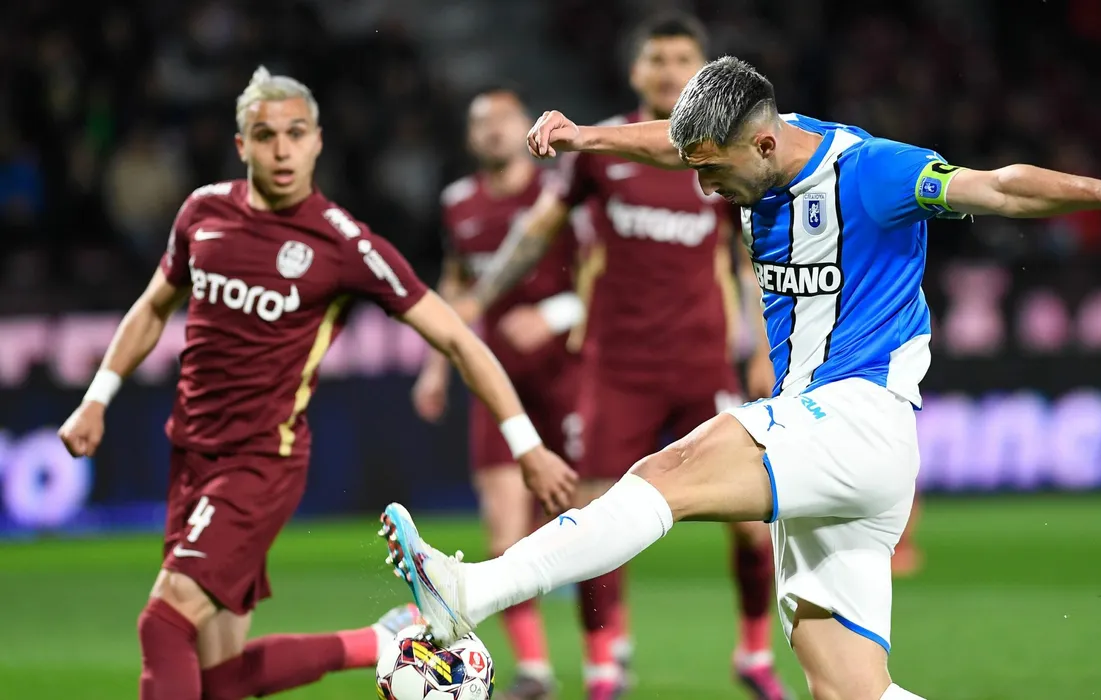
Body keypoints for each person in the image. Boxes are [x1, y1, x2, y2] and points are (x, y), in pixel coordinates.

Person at [381, 56, 1101, 700]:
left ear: (762, 144)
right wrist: (584, 138)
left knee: (669, 470)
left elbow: (997, 187)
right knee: (846, 689)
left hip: (856, 419)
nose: (704, 188)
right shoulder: (760, 144)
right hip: (829, 449)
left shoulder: (875, 172)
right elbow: (670, 143)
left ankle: (472, 591)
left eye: (712, 170)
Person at [56, 66, 575, 700]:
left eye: (295, 133)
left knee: (163, 625)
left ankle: (397, 642)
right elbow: (153, 307)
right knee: (219, 679)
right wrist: (96, 399)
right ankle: (380, 640)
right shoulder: (203, 212)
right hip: (189, 456)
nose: (282, 149)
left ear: (318, 141)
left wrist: (527, 446)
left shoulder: (343, 244)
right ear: (241, 144)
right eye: (265, 135)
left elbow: (459, 339)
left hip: (259, 462)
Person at [445, 15, 787, 700]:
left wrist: (763, 349)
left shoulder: (720, 152)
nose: (667, 70)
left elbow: (747, 260)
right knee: (595, 522)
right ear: (635, 71)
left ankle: (754, 655)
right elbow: (537, 231)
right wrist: (478, 298)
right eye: (655, 58)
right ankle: (603, 670)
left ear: (701, 71)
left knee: (754, 524)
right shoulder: (600, 148)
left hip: (701, 366)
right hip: (616, 369)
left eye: (681, 58)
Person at [413, 85, 584, 700]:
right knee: (502, 532)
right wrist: (436, 368)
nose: (493, 130)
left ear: (524, 126)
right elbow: (455, 285)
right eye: (481, 122)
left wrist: (556, 313)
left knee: (587, 525)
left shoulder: (562, 191)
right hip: (495, 380)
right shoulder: (457, 202)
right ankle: (535, 670)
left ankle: (607, 662)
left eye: (504, 120)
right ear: (470, 136)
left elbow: (606, 276)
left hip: (568, 376)